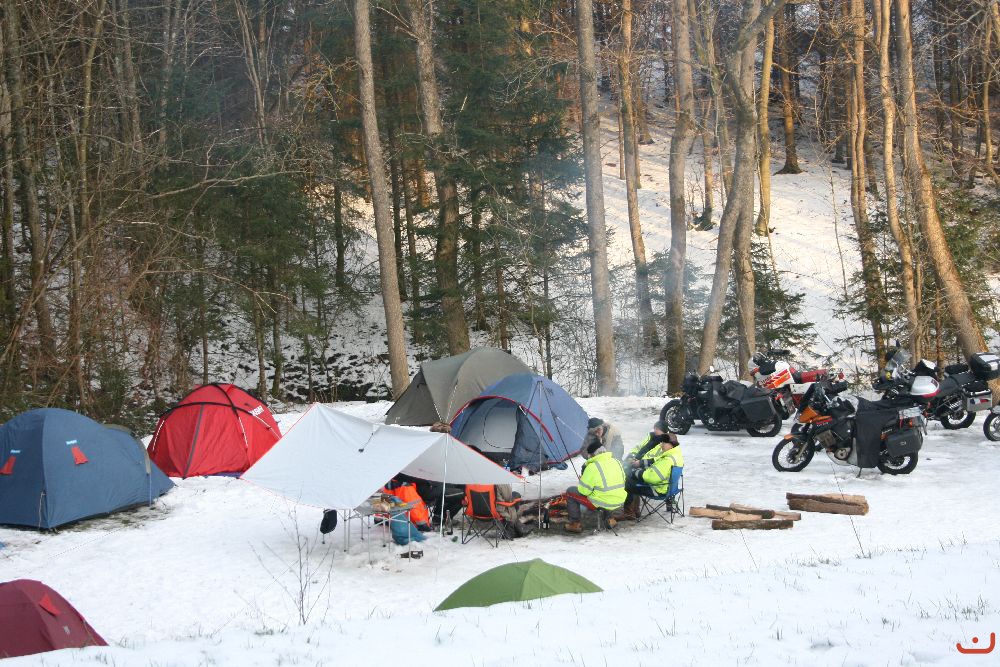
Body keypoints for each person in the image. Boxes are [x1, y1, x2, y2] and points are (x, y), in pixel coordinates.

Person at [563, 441, 628, 534]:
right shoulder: (617, 462)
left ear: (592, 454)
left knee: (570, 491)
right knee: (605, 492)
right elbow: (622, 480)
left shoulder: (592, 467)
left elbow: (584, 491)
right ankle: (610, 519)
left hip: (602, 502)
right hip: (619, 500)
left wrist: (582, 482)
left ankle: (575, 524)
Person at [620, 427, 684, 520]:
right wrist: (640, 464)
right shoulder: (675, 455)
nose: (661, 445)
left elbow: (652, 477)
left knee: (628, 482)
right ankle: (635, 511)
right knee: (632, 479)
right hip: (670, 488)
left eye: (664, 443)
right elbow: (655, 462)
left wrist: (636, 473)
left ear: (671, 444)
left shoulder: (667, 460)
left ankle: (629, 513)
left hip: (659, 490)